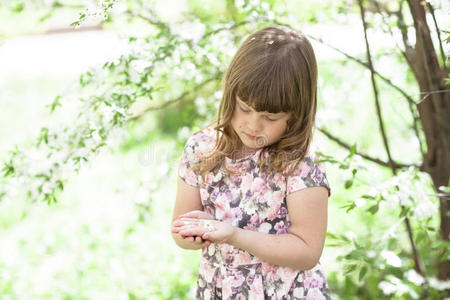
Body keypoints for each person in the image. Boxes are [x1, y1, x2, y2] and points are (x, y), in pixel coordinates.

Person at [171, 26, 331, 300]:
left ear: (296, 114)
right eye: (244, 108)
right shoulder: (202, 149)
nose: (253, 124)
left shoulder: (300, 164)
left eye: (270, 117)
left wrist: (233, 235)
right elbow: (178, 228)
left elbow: (307, 251)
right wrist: (195, 232)